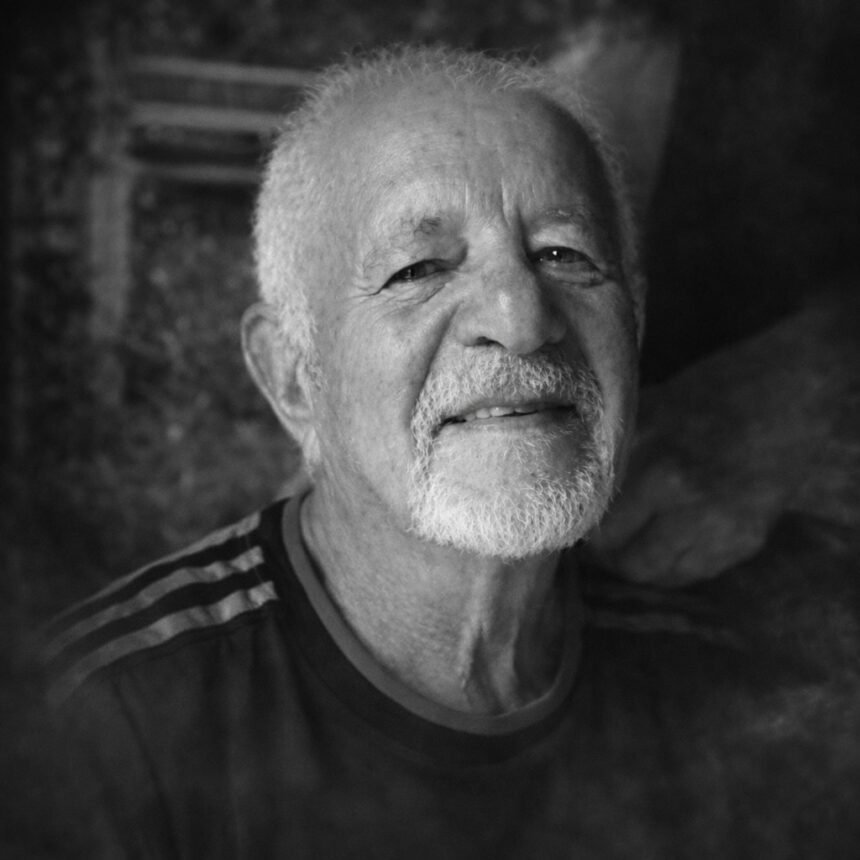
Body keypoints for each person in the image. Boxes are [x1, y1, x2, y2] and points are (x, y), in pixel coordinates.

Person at [42, 45, 858, 858]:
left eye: (565, 255)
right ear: (292, 374)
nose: (521, 319)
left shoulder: (733, 694)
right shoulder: (96, 730)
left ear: (634, 325)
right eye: (419, 269)